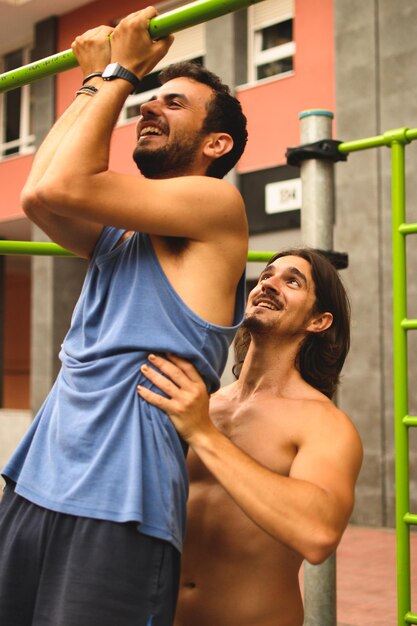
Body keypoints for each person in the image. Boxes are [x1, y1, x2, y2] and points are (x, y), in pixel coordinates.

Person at [0, 7, 248, 626]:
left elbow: (66, 187)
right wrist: (94, 83)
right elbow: (38, 192)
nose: (146, 108)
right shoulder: (121, 231)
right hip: (39, 477)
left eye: (174, 104)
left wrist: (120, 73)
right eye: (148, 98)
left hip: (120, 500)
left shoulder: (218, 205)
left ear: (216, 144)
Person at [137, 248, 363, 626]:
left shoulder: (324, 423)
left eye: (292, 281)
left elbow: (318, 533)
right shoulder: (201, 401)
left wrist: (204, 435)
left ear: (319, 321)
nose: (268, 284)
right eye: (265, 276)